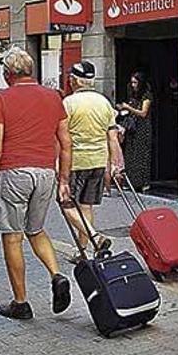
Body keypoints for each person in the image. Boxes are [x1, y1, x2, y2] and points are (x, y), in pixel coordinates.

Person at [0, 46, 73, 320]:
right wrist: (63, 179)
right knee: (36, 229)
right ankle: (56, 275)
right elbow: (66, 144)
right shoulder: (54, 97)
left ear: (8, 74)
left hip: (14, 173)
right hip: (45, 173)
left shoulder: (2, 99)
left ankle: (20, 302)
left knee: (13, 237)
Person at [61, 61, 122, 258]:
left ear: (74, 81)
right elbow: (112, 137)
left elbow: (62, 138)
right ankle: (82, 252)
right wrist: (113, 164)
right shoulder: (104, 102)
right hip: (98, 160)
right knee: (85, 206)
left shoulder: (68, 103)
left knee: (66, 204)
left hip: (76, 162)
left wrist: (57, 166)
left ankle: (95, 238)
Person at [117, 72, 152, 191]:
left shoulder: (146, 96)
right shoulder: (133, 96)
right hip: (133, 129)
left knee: (142, 155)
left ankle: (144, 183)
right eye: (132, 82)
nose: (133, 85)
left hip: (143, 129)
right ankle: (132, 182)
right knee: (131, 155)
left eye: (135, 82)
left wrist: (128, 107)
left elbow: (143, 113)